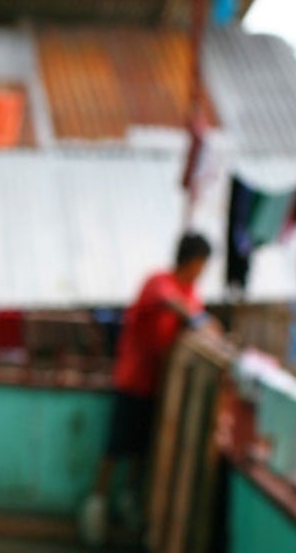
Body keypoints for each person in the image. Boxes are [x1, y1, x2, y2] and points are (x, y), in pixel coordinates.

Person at [77, 232, 218, 547]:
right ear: (194, 261)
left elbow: (197, 318)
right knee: (114, 449)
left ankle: (127, 507)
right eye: (202, 264)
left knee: (140, 453)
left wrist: (206, 326)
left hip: (157, 388)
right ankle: (96, 508)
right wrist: (200, 321)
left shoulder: (192, 292)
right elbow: (178, 307)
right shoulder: (159, 281)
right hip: (131, 381)